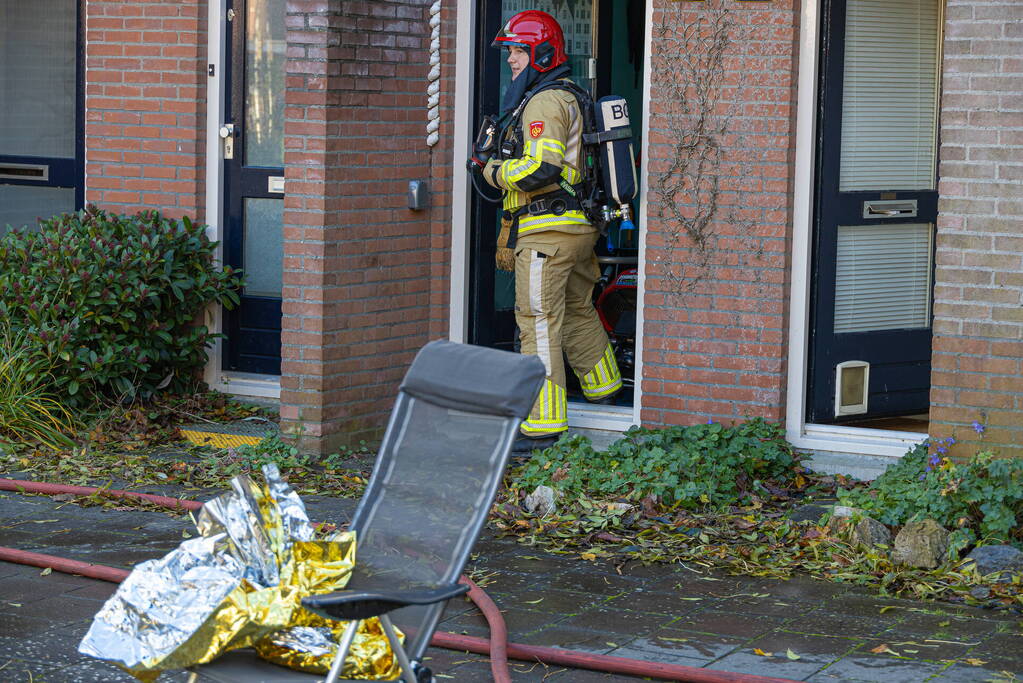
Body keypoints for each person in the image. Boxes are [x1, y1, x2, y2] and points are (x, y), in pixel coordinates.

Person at [478, 10, 622, 451]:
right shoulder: (571, 95)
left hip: (547, 233)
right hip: (575, 230)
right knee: (577, 309)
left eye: (518, 51)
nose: (511, 60)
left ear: (542, 53)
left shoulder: (543, 102)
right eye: (509, 52)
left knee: (537, 319)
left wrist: (491, 171)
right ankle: (605, 389)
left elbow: (541, 167)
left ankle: (543, 425)